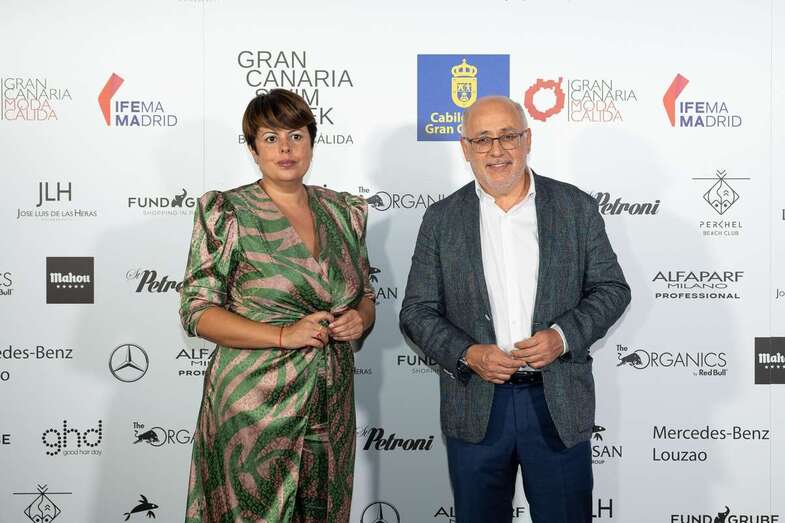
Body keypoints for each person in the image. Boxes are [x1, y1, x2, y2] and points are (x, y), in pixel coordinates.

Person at [399, 95, 630, 523]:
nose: (497, 150)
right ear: (465, 148)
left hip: (557, 402)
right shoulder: (441, 219)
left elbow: (612, 289)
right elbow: (417, 311)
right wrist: (469, 353)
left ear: (527, 139)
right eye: (482, 139)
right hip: (477, 405)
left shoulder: (575, 208)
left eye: (507, 136)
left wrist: (562, 337)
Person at [179, 89, 375, 523]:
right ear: (253, 149)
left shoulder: (344, 212)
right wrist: (283, 335)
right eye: (271, 138)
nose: (285, 148)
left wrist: (358, 319)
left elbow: (364, 295)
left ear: (311, 143)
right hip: (254, 407)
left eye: (296, 136)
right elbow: (197, 310)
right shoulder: (227, 211)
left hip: (331, 404)